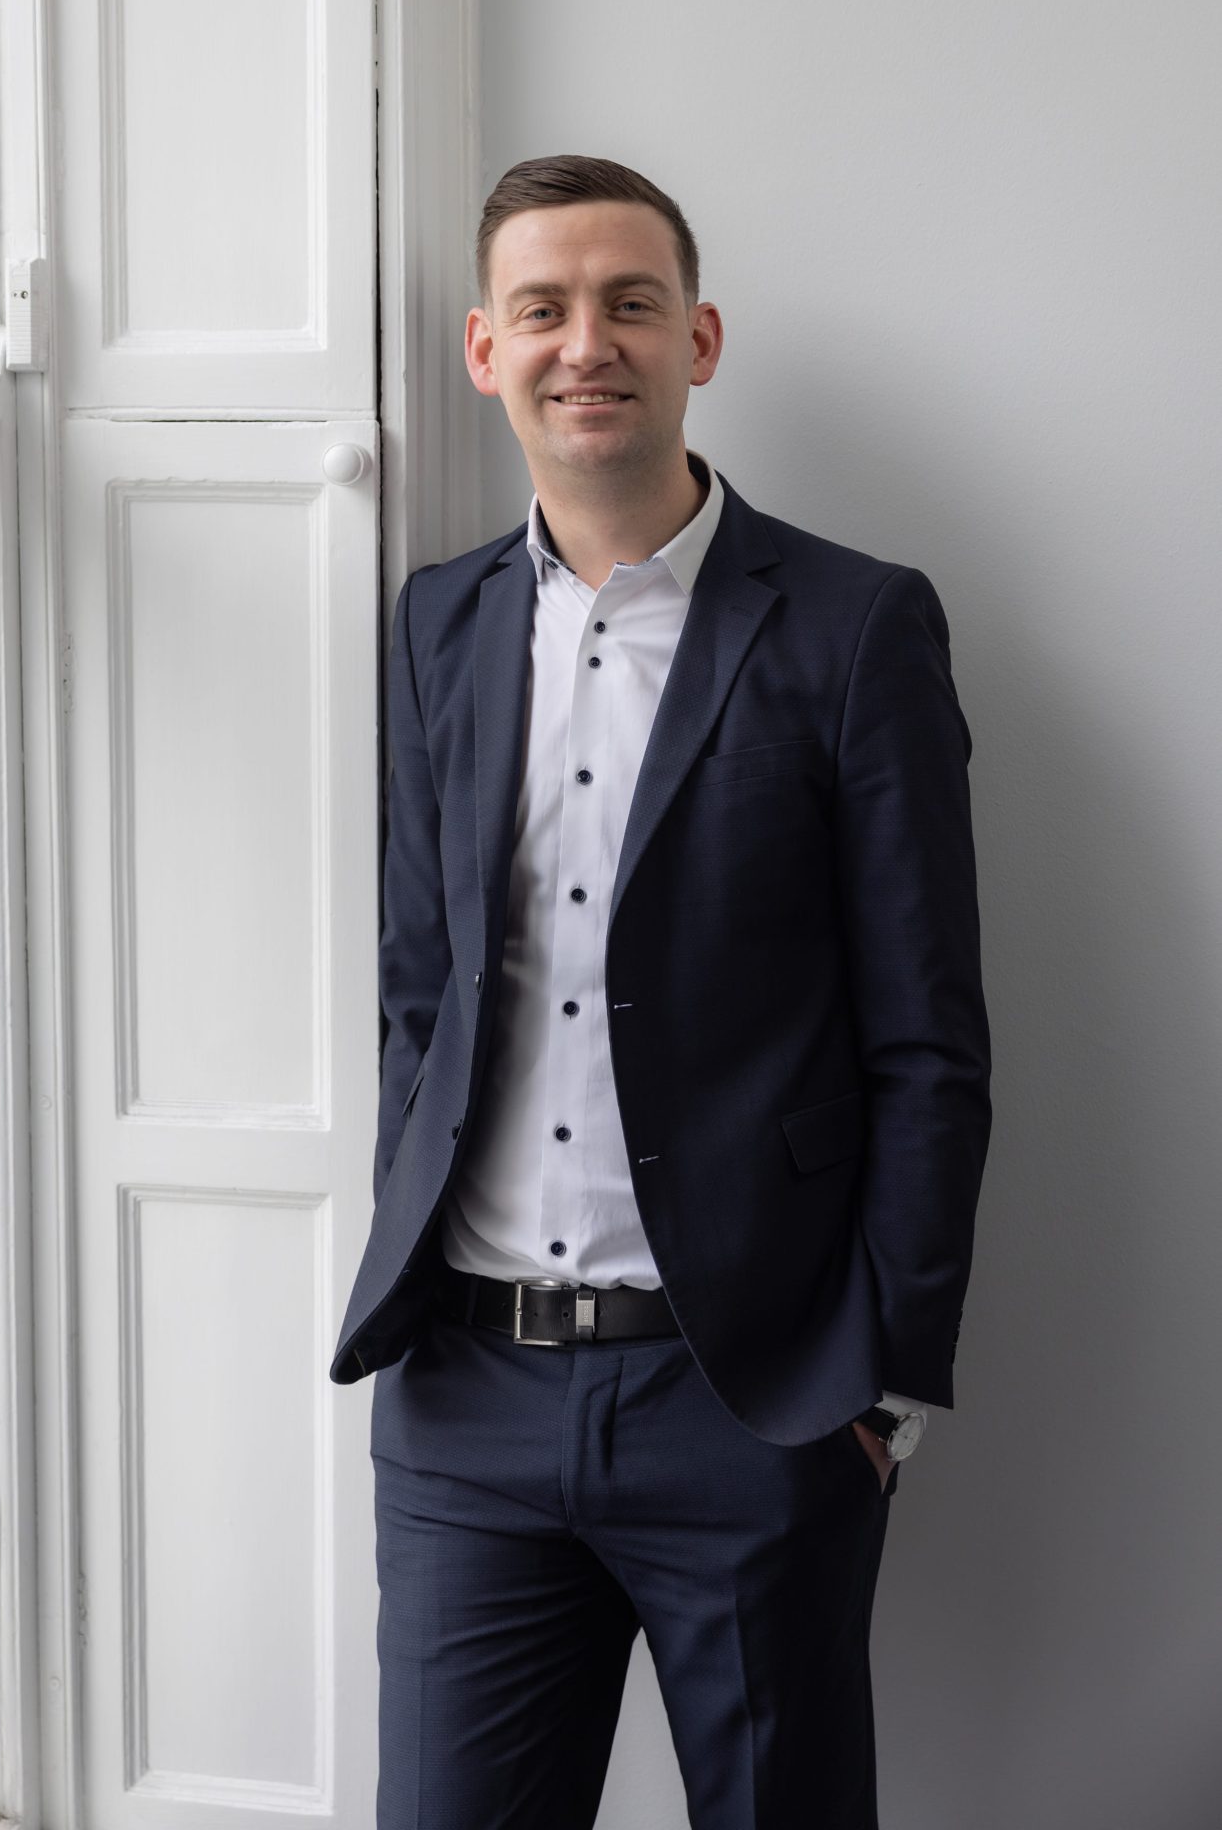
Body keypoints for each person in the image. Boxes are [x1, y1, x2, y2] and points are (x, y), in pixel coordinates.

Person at [329, 153, 993, 1829]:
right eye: (540, 309)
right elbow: (423, 995)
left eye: (628, 302)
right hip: (465, 1406)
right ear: (482, 351)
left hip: (751, 1406)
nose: (585, 342)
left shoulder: (852, 628)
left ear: (697, 336)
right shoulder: (435, 626)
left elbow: (927, 1038)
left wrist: (881, 1381)